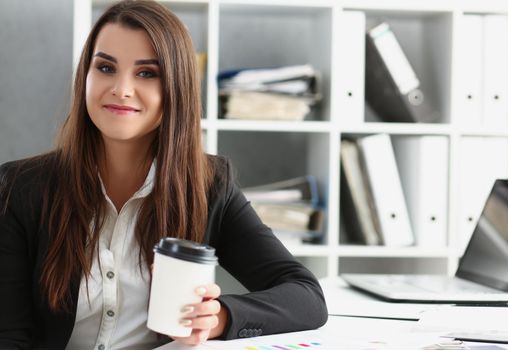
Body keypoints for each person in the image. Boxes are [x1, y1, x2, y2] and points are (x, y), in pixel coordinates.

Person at [0, 0, 328, 349]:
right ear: (86, 76)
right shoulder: (21, 188)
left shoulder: (209, 186)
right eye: (106, 68)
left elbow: (306, 297)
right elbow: (10, 336)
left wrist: (219, 317)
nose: (121, 89)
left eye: (146, 73)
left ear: (176, 88)